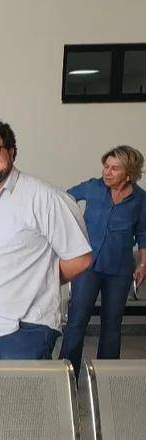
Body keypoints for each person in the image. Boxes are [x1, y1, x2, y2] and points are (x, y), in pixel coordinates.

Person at [0, 117, 92, 360]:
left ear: (11, 152)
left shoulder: (43, 197)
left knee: (21, 389)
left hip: (22, 332)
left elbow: (80, 258)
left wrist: (42, 278)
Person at [60, 145, 146, 372]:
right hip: (88, 266)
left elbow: (143, 234)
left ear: (129, 172)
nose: (107, 172)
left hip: (119, 271)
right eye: (106, 166)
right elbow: (63, 200)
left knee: (112, 324)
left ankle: (105, 376)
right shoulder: (92, 187)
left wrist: (143, 264)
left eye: (114, 168)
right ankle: (66, 374)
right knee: (77, 321)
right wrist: (70, 237)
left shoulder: (140, 199)